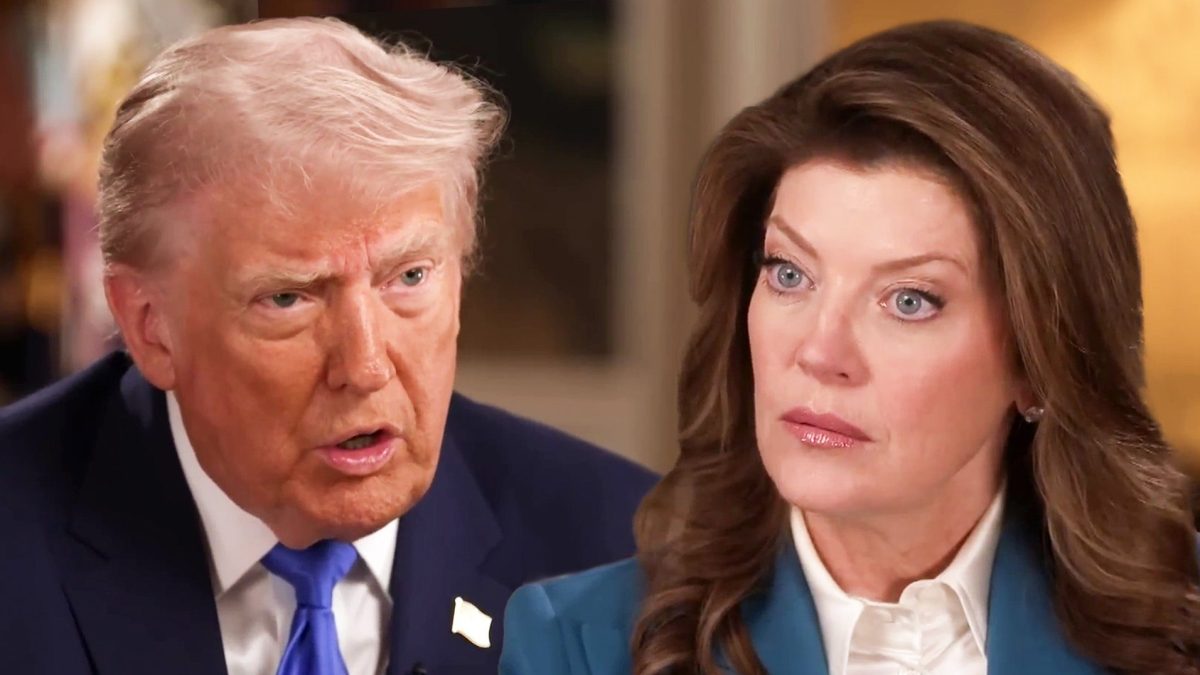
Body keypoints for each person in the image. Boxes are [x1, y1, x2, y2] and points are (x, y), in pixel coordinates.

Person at [500, 20, 1200, 675]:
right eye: (790, 273)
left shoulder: (1179, 629)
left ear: (1038, 363)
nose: (819, 350)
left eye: (909, 300)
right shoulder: (579, 643)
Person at [0, 17, 656, 675]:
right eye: (289, 298)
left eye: (409, 277)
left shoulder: (627, 552)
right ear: (150, 325)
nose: (365, 367)